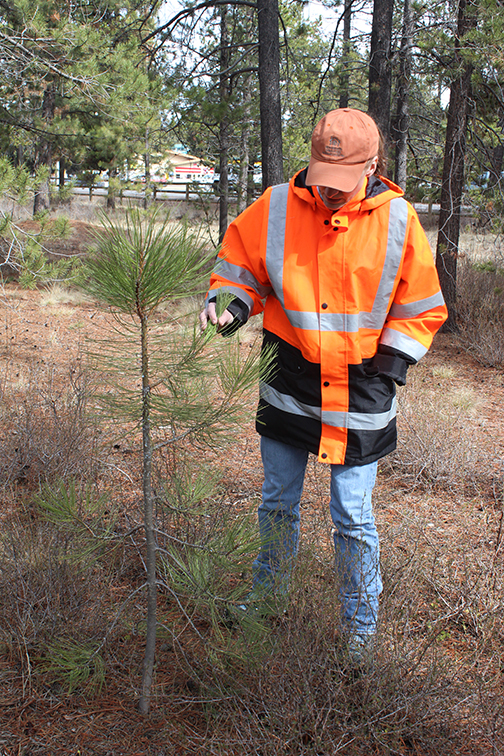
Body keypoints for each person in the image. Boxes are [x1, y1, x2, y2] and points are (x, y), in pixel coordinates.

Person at [200, 108, 447, 660]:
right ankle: (266, 600)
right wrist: (230, 305)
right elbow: (238, 268)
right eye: (322, 178)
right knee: (277, 502)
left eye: (343, 182)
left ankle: (359, 632)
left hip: (362, 388)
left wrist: (391, 363)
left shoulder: (400, 220)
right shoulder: (277, 205)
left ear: (372, 165)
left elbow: (423, 306)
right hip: (287, 379)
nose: (329, 193)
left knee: (353, 516)